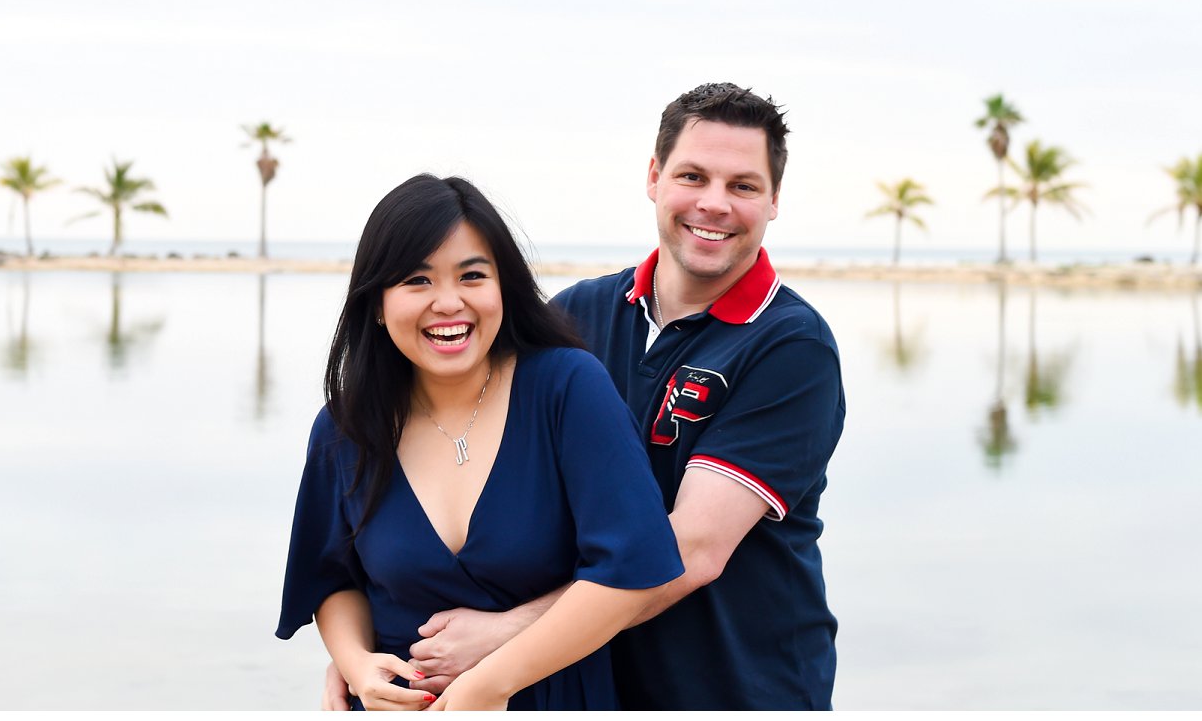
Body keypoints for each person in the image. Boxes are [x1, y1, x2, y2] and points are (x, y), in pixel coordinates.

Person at [349, 83, 845, 710]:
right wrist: (367, 652)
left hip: (735, 686)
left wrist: (502, 637)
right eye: (693, 176)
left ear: (774, 200)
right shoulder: (577, 315)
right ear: (654, 177)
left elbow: (690, 552)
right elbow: (464, 463)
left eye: (743, 185)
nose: (714, 204)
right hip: (585, 686)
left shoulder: (790, 346)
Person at [278, 174, 685, 710]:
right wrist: (356, 664)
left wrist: (489, 684)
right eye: (416, 281)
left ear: (503, 289)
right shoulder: (345, 426)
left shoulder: (566, 388)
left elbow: (630, 572)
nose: (448, 302)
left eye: (472, 275)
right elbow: (332, 577)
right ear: (377, 302)